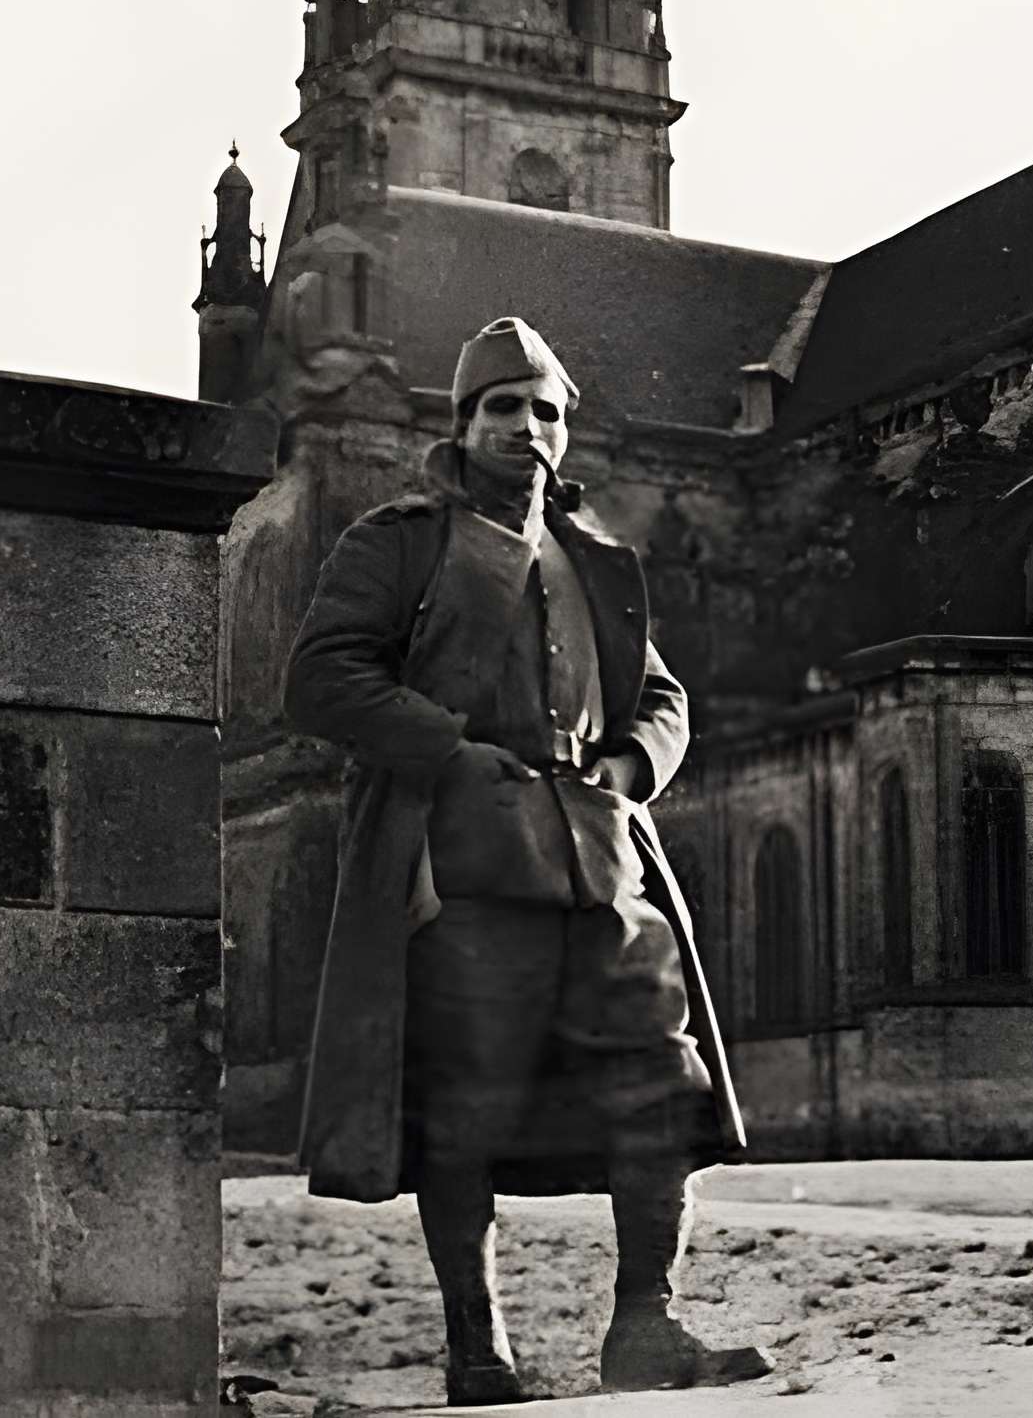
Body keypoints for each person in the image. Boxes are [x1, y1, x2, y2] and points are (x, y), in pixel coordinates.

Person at [283, 316, 770, 1404]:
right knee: (465, 1101)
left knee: (659, 1081)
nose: (527, 427)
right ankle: (477, 1348)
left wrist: (633, 766)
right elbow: (319, 678)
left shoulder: (596, 557)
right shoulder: (398, 539)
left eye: (545, 410)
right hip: (459, 864)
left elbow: (661, 694)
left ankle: (645, 1324)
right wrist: (449, 754)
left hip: (600, 853)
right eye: (502, 407)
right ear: (461, 424)